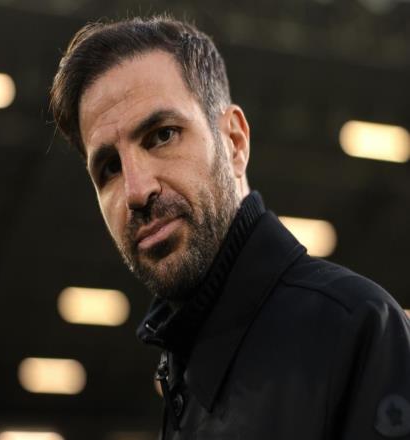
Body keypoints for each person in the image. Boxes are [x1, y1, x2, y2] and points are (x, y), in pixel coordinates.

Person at [49, 16, 410, 440]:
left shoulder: (354, 328)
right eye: (109, 168)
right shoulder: (183, 371)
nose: (136, 191)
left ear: (235, 142)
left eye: (162, 136)